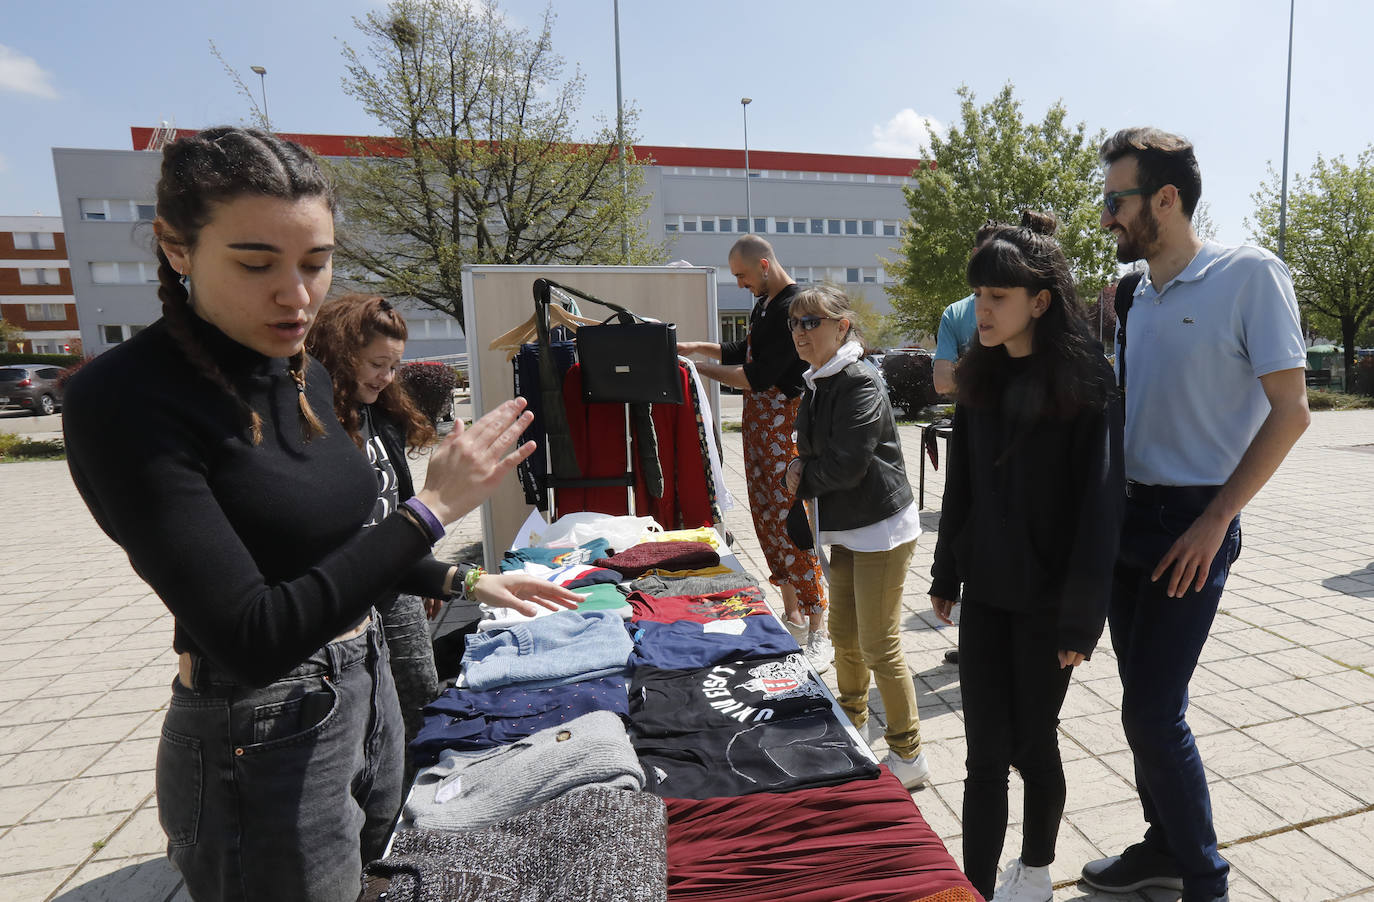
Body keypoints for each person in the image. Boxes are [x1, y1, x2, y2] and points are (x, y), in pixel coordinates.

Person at [61, 126, 579, 902]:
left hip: (364, 685)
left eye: (315, 262)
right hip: (262, 729)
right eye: (256, 263)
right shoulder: (126, 400)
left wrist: (463, 581)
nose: (297, 296)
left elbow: (336, 545)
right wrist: (431, 509)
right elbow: (254, 632)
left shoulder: (297, 369)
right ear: (176, 248)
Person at [1081, 128, 1309, 902]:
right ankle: (1162, 845)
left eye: (1117, 200)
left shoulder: (1249, 274)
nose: (1106, 215)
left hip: (1194, 524)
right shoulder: (1133, 295)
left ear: (1166, 199)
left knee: (1153, 712)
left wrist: (1217, 521)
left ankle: (1204, 878)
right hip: (1127, 520)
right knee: (1138, 705)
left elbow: (1292, 412)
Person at [928, 211, 1123, 901]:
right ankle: (974, 888)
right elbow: (963, 483)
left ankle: (1035, 869)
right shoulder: (978, 377)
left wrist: (1080, 620)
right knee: (984, 755)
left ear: (1038, 301)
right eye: (978, 296)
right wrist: (947, 569)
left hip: (1049, 605)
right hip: (986, 592)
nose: (982, 310)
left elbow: (1102, 510)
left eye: (998, 298)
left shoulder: (1087, 385)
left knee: (1030, 745)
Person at [782, 284, 929, 789]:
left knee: (878, 643)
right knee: (843, 636)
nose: (800, 333)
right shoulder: (819, 381)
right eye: (794, 324)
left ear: (842, 326)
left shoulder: (859, 381)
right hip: (844, 526)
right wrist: (803, 466)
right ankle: (855, 727)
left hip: (882, 529)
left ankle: (909, 755)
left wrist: (802, 474)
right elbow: (818, 455)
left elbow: (848, 465)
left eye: (810, 323)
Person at [677, 234, 831, 673]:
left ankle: (819, 628)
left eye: (743, 275)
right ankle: (794, 617)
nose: (740, 284)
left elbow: (758, 375)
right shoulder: (764, 304)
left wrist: (695, 368)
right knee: (765, 519)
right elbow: (741, 354)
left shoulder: (793, 308)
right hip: (758, 432)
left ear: (764, 265)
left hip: (784, 430)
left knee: (792, 524)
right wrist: (695, 348)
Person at [305, 293, 450, 746]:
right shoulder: (311, 424)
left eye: (393, 367)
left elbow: (402, 500)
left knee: (420, 698)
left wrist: (424, 564)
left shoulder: (381, 416)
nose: (387, 379)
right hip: (346, 596)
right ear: (338, 356)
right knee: (362, 713)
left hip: (399, 583)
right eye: (376, 365)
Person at [931, 292, 977, 667]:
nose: (986, 305)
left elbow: (949, 377)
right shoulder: (958, 311)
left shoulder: (956, 312)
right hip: (974, 426)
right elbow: (941, 382)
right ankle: (974, 639)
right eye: (980, 293)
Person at [932, 293, 976, 397]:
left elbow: (943, 383)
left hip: (971, 406)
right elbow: (942, 382)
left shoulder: (954, 312)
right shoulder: (1019, 307)